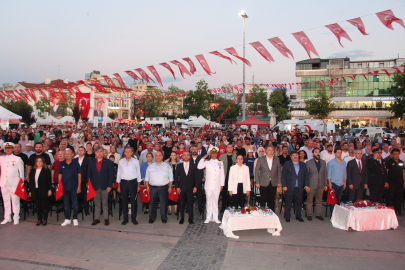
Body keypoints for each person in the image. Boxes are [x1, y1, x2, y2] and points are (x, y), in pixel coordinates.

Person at [88, 146, 115, 226]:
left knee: (105, 203)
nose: (99, 153)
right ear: (95, 153)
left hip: (105, 186)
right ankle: (97, 219)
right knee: (97, 204)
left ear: (103, 152)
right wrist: (89, 185)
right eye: (97, 151)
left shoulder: (108, 162)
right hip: (95, 186)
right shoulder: (91, 162)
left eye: (101, 151)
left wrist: (110, 186)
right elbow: (89, 174)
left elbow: (111, 175)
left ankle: (106, 218)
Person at [145, 151, 173, 224]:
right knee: (152, 203)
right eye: (156, 155)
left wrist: (170, 187)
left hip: (164, 188)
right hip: (153, 187)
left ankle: (164, 217)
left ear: (162, 157)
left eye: (159, 155)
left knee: (164, 203)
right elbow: (147, 178)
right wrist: (147, 187)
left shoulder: (167, 166)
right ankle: (152, 217)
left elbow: (171, 178)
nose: (158, 157)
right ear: (154, 157)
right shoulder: (150, 166)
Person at [198, 147, 225, 224]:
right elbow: (199, 166)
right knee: (209, 201)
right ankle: (208, 217)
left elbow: (222, 174)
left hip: (217, 185)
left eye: (215, 153)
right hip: (208, 185)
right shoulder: (206, 162)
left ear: (217, 154)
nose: (214, 155)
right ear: (210, 154)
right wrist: (204, 157)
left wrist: (222, 184)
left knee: (216, 201)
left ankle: (215, 217)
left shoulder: (220, 163)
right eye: (212, 153)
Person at [0, 143, 25, 225]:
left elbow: (21, 172)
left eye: (9, 148)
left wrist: (21, 184)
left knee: (15, 201)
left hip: (14, 183)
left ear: (13, 149)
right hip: (4, 183)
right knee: (6, 201)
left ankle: (16, 217)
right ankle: (7, 217)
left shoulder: (18, 159)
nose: (7, 150)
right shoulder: (1, 158)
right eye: (6, 148)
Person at [282, 150, 310, 222]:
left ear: (298, 156)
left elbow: (306, 175)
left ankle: (298, 216)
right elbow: (283, 175)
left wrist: (307, 185)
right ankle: (287, 216)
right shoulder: (287, 164)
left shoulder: (303, 164)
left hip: (300, 187)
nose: (295, 156)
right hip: (289, 187)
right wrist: (284, 185)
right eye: (293, 155)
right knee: (288, 203)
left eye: (296, 155)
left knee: (299, 203)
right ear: (291, 157)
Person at [116, 147, 141, 225]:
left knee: (133, 201)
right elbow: (118, 173)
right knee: (124, 201)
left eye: (129, 152)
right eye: (126, 152)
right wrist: (118, 186)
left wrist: (138, 185)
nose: (127, 153)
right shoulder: (120, 161)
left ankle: (134, 218)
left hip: (133, 182)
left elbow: (138, 174)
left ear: (132, 153)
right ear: (124, 153)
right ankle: (125, 218)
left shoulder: (136, 161)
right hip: (123, 183)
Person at [59, 149, 82, 226]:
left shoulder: (76, 164)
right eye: (66, 154)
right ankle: (67, 219)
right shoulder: (62, 164)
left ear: (72, 155)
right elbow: (60, 175)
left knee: (75, 204)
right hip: (65, 188)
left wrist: (79, 187)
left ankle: (75, 219)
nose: (67, 155)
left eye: (69, 153)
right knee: (66, 205)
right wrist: (60, 186)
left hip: (74, 187)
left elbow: (79, 175)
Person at [254, 145, 281, 211]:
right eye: (269, 150)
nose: (271, 152)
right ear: (266, 151)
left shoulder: (276, 159)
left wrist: (279, 182)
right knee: (263, 199)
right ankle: (263, 214)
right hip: (263, 182)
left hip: (273, 182)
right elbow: (257, 171)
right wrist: (257, 182)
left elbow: (279, 171)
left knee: (272, 199)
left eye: (272, 150)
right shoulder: (261, 159)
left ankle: (272, 213)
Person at [174, 151, 198, 224]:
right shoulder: (179, 166)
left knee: (190, 203)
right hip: (181, 188)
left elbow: (196, 177)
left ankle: (190, 218)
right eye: (185, 155)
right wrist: (177, 187)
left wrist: (195, 187)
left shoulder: (193, 165)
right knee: (181, 203)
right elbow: (175, 177)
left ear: (190, 157)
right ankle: (182, 218)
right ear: (182, 157)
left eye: (188, 155)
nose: (186, 156)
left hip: (190, 188)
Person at [28, 156, 52, 226]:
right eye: (37, 161)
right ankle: (39, 219)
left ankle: (45, 219)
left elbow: (49, 181)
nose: (39, 163)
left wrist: (49, 190)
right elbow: (31, 182)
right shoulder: (33, 170)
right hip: (35, 190)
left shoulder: (46, 170)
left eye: (40, 161)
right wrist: (30, 191)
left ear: (43, 162)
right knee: (38, 206)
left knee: (44, 205)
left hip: (44, 190)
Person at [305, 148, 327, 221]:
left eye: (319, 152)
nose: (318, 153)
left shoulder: (323, 162)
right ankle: (309, 214)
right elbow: (306, 175)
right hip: (311, 184)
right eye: (316, 152)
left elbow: (325, 174)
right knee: (309, 200)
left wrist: (326, 184)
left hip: (321, 184)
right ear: (312, 154)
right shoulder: (309, 163)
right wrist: (307, 185)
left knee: (319, 200)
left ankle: (318, 214)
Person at [327, 148, 347, 214]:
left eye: (340, 152)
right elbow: (329, 174)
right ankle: (332, 214)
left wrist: (345, 183)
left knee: (339, 200)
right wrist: (329, 183)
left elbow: (345, 174)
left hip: (341, 183)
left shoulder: (344, 163)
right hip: (333, 183)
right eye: (338, 152)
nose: (339, 154)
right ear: (335, 154)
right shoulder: (331, 162)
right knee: (332, 200)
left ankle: (337, 215)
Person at [386, 148, 405, 215]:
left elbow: (403, 172)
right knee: (390, 197)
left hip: (399, 183)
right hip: (391, 183)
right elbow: (387, 172)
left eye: (398, 154)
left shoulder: (401, 162)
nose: (396, 156)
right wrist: (386, 182)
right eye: (395, 154)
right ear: (392, 155)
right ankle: (389, 210)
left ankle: (398, 211)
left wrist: (404, 182)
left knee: (398, 197)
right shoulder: (389, 162)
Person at [219, 144, 236, 212]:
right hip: (224, 177)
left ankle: (230, 206)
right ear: (226, 149)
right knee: (224, 193)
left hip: (233, 178)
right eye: (228, 147)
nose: (229, 148)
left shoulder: (235, 157)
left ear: (232, 148)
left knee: (231, 192)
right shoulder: (221, 157)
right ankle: (223, 207)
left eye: (231, 147)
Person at [74, 146, 90, 215]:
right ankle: (78, 209)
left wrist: (87, 181)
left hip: (84, 181)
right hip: (75, 181)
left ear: (84, 152)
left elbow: (89, 172)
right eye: (79, 150)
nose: (80, 151)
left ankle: (86, 210)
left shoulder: (88, 160)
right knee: (77, 196)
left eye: (81, 150)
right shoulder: (74, 160)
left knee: (85, 196)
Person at [189, 145, 204, 215]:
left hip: (199, 179)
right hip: (190, 180)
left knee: (200, 195)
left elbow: (204, 168)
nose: (194, 151)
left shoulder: (201, 158)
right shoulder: (188, 158)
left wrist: (204, 177)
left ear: (198, 150)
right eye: (193, 149)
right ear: (191, 150)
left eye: (196, 149)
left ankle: (200, 208)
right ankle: (188, 208)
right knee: (189, 195)